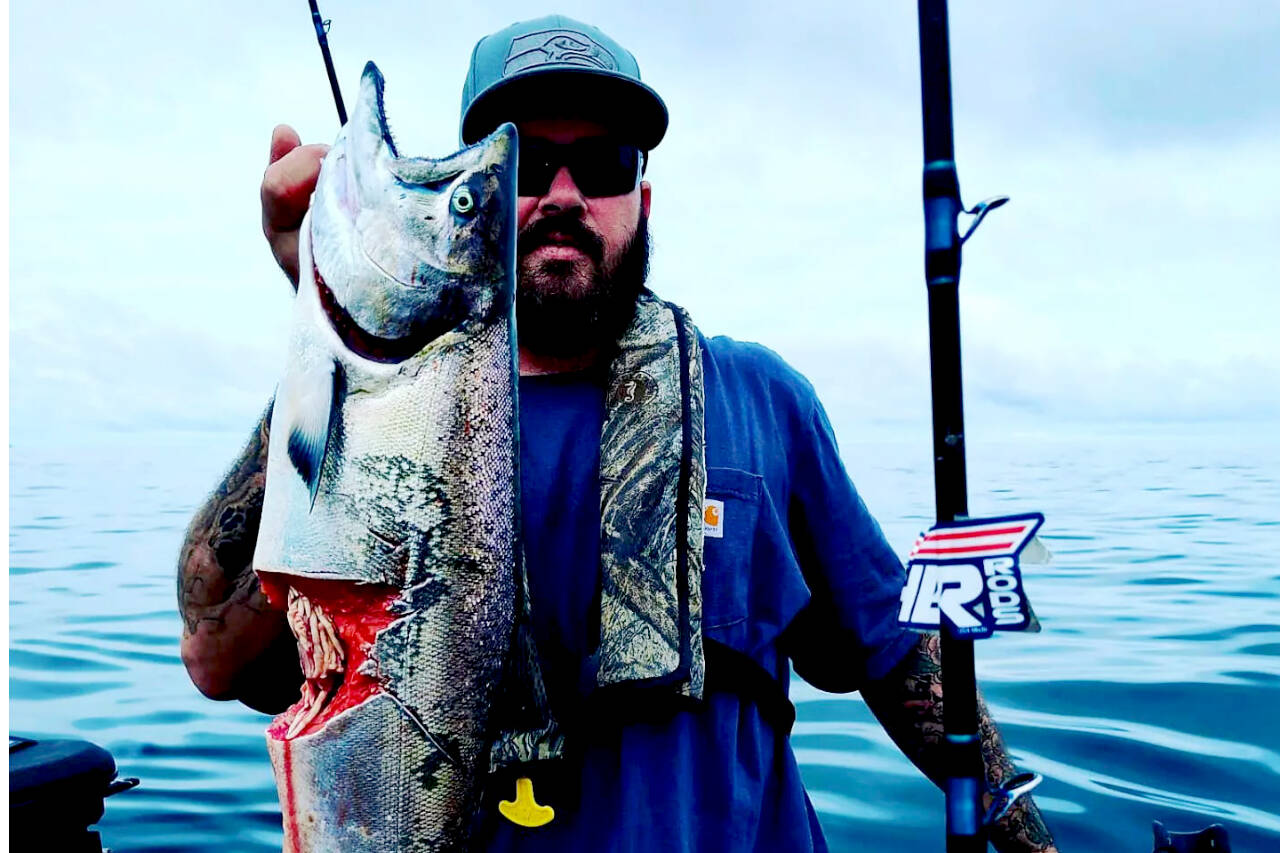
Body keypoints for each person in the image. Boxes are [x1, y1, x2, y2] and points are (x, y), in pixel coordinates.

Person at [178, 14, 1059, 852]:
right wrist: (324, 341)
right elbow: (214, 645)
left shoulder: (760, 396)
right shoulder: (378, 425)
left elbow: (904, 662)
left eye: (600, 163)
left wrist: (1028, 838)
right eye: (526, 161)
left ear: (641, 194)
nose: (564, 195)